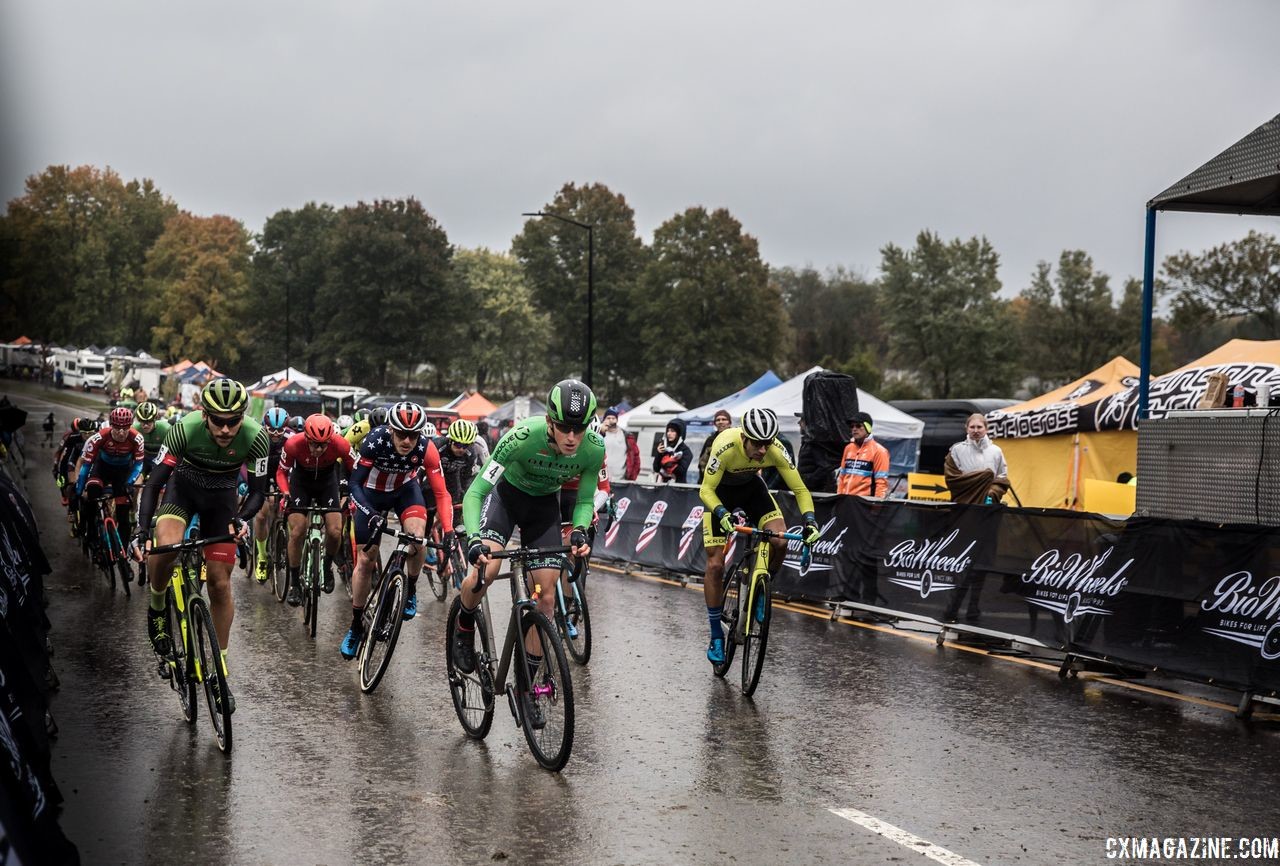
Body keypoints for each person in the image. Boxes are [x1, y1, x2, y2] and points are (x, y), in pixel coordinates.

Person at [453, 379, 604, 728]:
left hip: (543, 509)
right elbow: (477, 491)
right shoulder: (521, 437)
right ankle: (463, 623)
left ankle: (526, 687)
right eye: (564, 428)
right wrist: (475, 538)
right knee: (486, 570)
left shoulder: (593, 449)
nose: (571, 437)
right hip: (505, 499)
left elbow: (583, 500)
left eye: (578, 429)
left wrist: (579, 529)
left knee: (547, 599)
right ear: (549, 422)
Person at [132, 378, 272, 715]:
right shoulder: (184, 429)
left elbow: (257, 491)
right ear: (204, 414)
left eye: (233, 421)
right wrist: (141, 529)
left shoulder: (256, 436)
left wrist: (242, 519)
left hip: (222, 500)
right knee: (167, 545)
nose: (225, 429)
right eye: (218, 421)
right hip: (183, 491)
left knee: (221, 584)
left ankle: (218, 670)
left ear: (242, 417)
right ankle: (157, 604)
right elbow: (154, 483)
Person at [698, 407, 821, 665]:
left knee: (781, 541)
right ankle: (716, 635)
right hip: (720, 495)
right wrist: (721, 513)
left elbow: (800, 489)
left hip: (753, 491)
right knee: (716, 565)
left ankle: (763, 589)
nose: (763, 451)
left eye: (767, 444)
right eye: (758, 444)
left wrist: (810, 520)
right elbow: (706, 490)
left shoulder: (775, 449)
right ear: (744, 437)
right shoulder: (724, 445)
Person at [340, 402, 436, 658]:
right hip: (371, 494)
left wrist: (448, 530)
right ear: (391, 429)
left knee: (418, 538)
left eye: (413, 435)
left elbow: (441, 492)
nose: (407, 441)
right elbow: (355, 483)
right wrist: (370, 514)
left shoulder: (427, 447)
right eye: (401, 434)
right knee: (365, 560)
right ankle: (356, 625)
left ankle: (411, 589)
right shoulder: (374, 440)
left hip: (405, 491)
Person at [277, 413, 357, 605]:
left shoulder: (341, 444)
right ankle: (295, 584)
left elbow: (356, 471)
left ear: (330, 440)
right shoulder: (293, 444)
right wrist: (285, 492)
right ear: (306, 437)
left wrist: (351, 494)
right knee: (297, 532)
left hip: (327, 483)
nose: (318, 449)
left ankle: (328, 566)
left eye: (323, 445)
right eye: (314, 444)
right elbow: (281, 472)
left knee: (335, 531)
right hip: (300, 483)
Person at [75, 406, 145, 547]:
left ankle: (123, 554)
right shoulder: (99, 437)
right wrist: (79, 490)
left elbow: (138, 465)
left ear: (130, 426)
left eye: (125, 428)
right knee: (91, 493)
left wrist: (129, 482)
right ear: (111, 425)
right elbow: (86, 467)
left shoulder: (137, 438)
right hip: (101, 469)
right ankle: (91, 531)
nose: (121, 432)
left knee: (123, 515)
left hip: (122, 473)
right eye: (117, 428)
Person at [251, 407, 292, 582]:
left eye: (280, 430)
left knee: (288, 510)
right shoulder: (258, 438)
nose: (276, 434)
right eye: (272, 430)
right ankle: (261, 556)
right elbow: (248, 465)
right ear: (264, 426)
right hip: (262, 473)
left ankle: (284, 542)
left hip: (282, 472)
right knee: (261, 515)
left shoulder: (290, 439)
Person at [943, 413, 1009, 505]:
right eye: (972, 427)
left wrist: (993, 492)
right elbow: (951, 478)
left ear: (986, 429)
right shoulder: (956, 450)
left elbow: (1002, 477)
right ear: (967, 428)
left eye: (979, 427)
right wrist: (983, 477)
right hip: (963, 503)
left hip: (988, 504)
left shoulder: (996, 451)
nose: (975, 430)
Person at [835, 412, 890, 497]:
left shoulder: (879, 451)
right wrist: (839, 498)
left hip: (864, 503)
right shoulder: (848, 448)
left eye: (858, 426)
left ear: (868, 428)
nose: (854, 429)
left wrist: (875, 508)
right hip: (845, 501)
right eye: (852, 426)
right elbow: (842, 477)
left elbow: (881, 483)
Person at [598, 406, 640, 483]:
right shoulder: (598, 434)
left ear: (617, 419)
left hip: (621, 480)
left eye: (613, 418)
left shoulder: (627, 436)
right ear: (604, 419)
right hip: (601, 479)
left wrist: (632, 478)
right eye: (608, 418)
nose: (611, 420)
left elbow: (636, 456)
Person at [653, 418, 693, 484]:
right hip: (661, 488)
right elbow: (656, 468)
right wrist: (658, 454)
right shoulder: (663, 447)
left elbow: (681, 471)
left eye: (672, 431)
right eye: (668, 431)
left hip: (677, 489)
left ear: (679, 433)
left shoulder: (685, 451)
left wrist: (669, 463)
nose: (669, 433)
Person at [697, 409, 732, 480]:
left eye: (724, 419)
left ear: (729, 422)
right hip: (714, 479)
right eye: (718, 420)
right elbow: (702, 462)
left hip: (733, 479)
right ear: (715, 423)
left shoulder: (737, 437)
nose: (720, 422)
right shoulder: (710, 440)